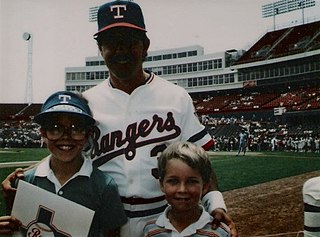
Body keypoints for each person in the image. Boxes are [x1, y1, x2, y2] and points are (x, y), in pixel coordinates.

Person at [2, 1, 237, 236]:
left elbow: (201, 162)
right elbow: (68, 149)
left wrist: (216, 203)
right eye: (112, 43)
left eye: (129, 41)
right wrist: (26, 177)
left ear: (145, 46)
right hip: (104, 217)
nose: (120, 50)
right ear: (100, 49)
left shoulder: (176, 96)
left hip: (163, 218)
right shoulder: (88, 102)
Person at [7, 91, 128, 236]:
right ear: (43, 133)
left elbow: (112, 233)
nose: (65, 137)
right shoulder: (25, 182)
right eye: (55, 128)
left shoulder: (104, 186)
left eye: (75, 128)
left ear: (88, 134)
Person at [143, 141, 230, 237]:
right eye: (173, 181)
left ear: (205, 186)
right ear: (162, 185)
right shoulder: (151, 230)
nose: (182, 189)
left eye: (191, 181)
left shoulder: (219, 232)